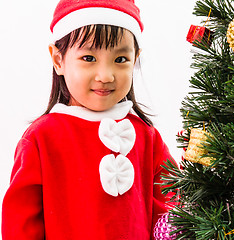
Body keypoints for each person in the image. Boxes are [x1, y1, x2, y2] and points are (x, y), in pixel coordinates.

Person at [2, 0, 176, 239]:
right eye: (89, 58)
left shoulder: (147, 137)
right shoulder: (41, 137)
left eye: (121, 59)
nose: (105, 76)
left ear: (135, 59)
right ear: (58, 60)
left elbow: (174, 212)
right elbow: (20, 225)